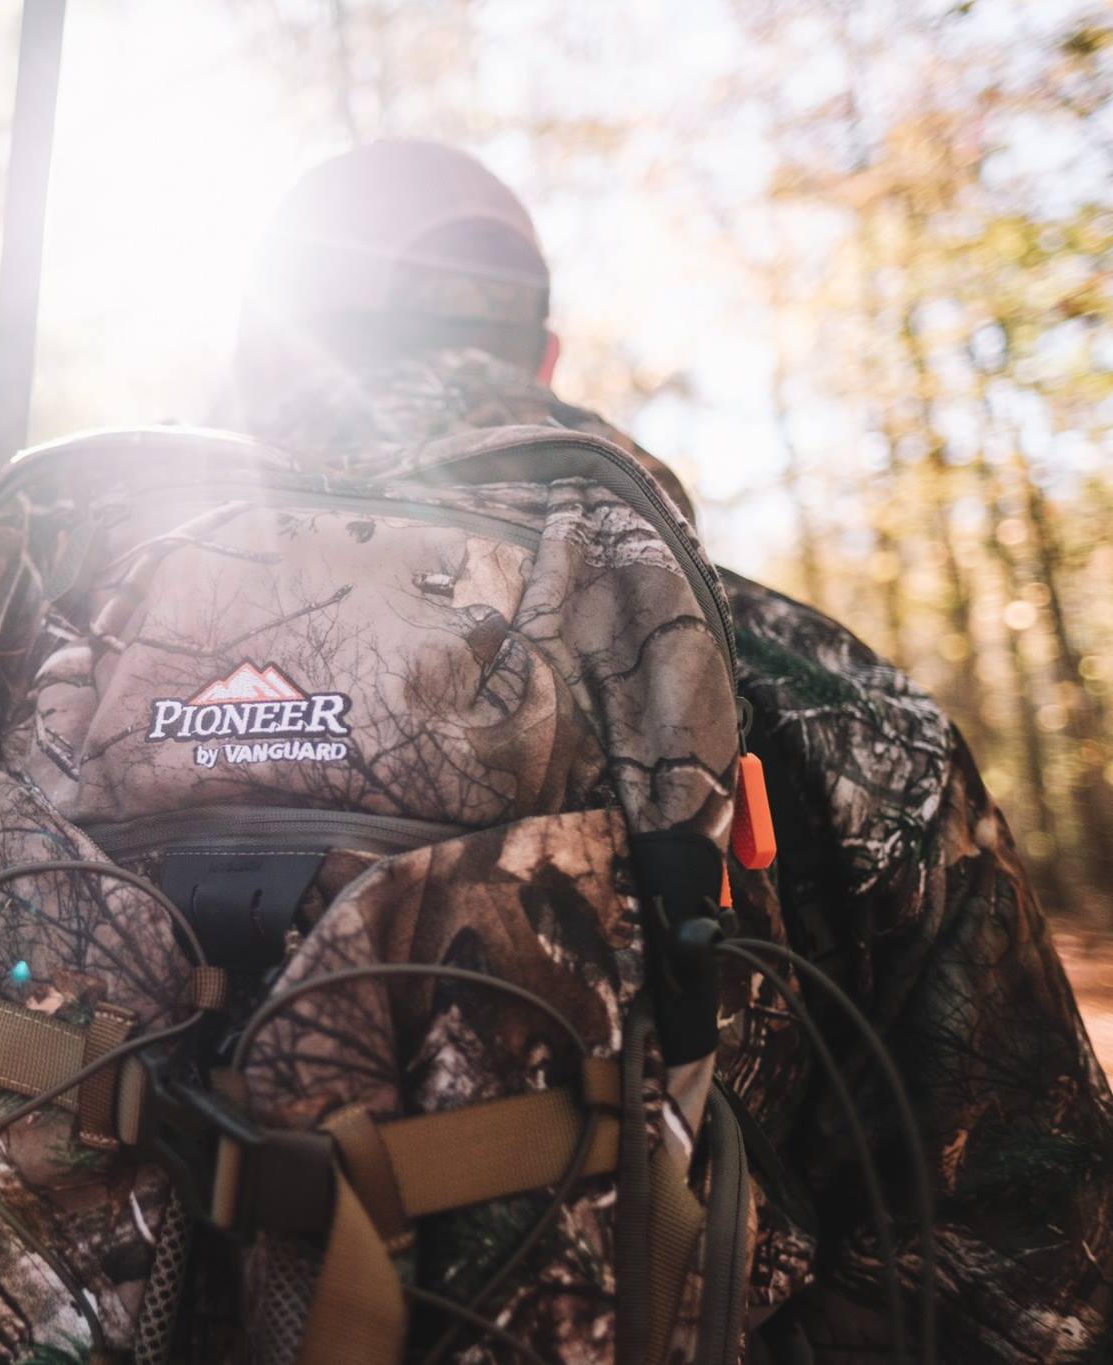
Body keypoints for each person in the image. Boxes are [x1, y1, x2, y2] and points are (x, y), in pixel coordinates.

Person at [232, 139, 1113, 1361]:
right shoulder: (808, 693)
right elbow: (1035, 1275)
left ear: (260, 357)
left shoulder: (54, 660)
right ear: (540, 360)